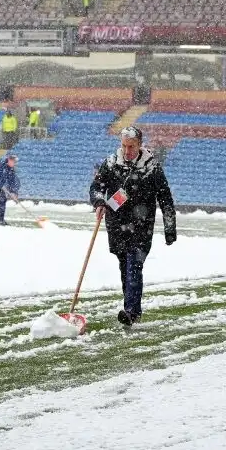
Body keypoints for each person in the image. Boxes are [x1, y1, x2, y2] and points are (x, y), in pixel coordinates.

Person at [90, 126, 176, 326]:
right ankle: (131, 308)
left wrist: (170, 229)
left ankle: (131, 311)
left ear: (140, 145)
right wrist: (100, 202)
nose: (127, 151)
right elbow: (97, 187)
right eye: (124, 146)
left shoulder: (151, 167)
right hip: (117, 225)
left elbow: (165, 198)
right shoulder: (112, 163)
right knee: (125, 267)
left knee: (134, 266)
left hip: (141, 226)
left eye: (132, 146)